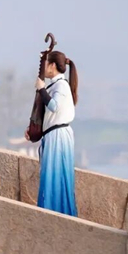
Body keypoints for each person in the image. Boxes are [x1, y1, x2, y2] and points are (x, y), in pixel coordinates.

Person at [26, 51, 79, 216]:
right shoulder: (56, 85)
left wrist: (41, 89)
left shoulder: (61, 85)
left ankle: (55, 212)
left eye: (46, 63)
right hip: (53, 134)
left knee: (55, 175)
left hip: (58, 136)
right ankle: (53, 210)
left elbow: (54, 106)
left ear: (52, 65)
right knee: (51, 175)